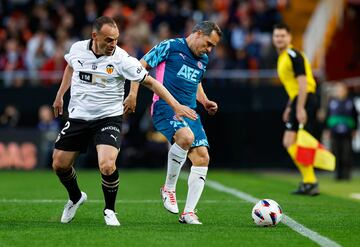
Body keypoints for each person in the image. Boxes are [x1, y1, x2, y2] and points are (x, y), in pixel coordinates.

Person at [52, 16, 197, 227]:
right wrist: (60, 95)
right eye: (109, 40)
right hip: (79, 116)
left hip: (108, 117)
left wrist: (175, 105)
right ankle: (75, 197)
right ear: (95, 36)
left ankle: (109, 210)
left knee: (107, 164)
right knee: (59, 164)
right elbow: (70, 67)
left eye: (116, 39)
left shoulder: (121, 59)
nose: (113, 44)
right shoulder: (77, 49)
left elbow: (152, 82)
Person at [124, 21, 222, 224]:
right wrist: (133, 94)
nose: (209, 49)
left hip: (189, 111)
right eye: (208, 43)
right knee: (186, 137)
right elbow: (138, 67)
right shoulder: (170, 47)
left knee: (202, 157)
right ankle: (168, 188)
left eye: (213, 46)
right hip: (165, 107)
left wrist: (204, 101)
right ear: (196, 33)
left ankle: (188, 213)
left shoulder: (202, 59)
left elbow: (196, 82)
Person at [272, 23, 319, 196]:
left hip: (306, 99)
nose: (279, 39)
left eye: (282, 35)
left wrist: (299, 108)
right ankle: (309, 181)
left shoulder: (293, 54)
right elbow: (293, 87)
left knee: (295, 142)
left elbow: (303, 83)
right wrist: (289, 107)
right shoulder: (283, 57)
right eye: (276, 36)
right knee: (292, 143)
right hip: (299, 100)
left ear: (289, 37)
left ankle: (310, 181)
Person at [325, 82, 358, 180]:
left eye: (341, 90)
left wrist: (354, 129)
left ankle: (346, 174)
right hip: (335, 132)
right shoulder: (332, 102)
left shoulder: (350, 102)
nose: (339, 92)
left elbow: (354, 116)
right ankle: (338, 174)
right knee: (336, 152)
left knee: (346, 153)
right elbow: (328, 116)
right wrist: (327, 130)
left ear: (346, 91)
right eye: (337, 90)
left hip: (347, 132)